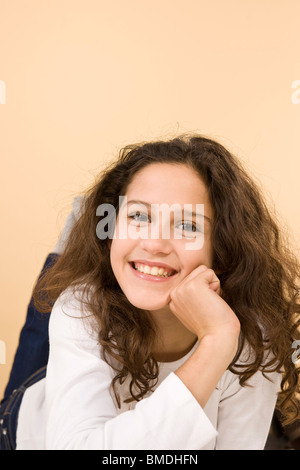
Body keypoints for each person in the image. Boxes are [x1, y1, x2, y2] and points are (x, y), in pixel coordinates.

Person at [1, 134, 300, 450]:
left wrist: (220, 338)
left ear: (224, 251)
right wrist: (215, 345)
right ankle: (79, 227)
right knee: (50, 309)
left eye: (187, 225)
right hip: (25, 430)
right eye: (138, 215)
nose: (155, 243)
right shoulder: (81, 306)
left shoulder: (253, 337)